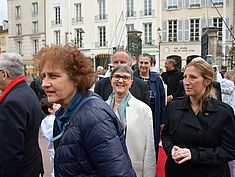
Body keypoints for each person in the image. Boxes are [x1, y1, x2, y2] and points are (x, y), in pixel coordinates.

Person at [34, 45, 137, 177]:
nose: (44, 83)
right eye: (43, 76)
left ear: (76, 79)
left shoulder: (94, 117)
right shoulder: (65, 112)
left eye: (53, 76)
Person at [161, 60, 235, 177]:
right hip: (177, 171)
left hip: (210, 172)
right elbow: (166, 135)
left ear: (207, 81)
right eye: (185, 77)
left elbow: (229, 150)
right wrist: (171, 149)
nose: (186, 82)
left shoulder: (223, 112)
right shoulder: (174, 106)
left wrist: (194, 154)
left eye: (193, 77)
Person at [106, 65, 156, 177]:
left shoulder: (143, 109)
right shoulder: (102, 107)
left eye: (125, 77)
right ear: (111, 80)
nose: (120, 80)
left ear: (131, 82)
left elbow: (149, 147)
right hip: (106, 166)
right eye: (117, 76)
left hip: (132, 167)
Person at [0, 53, 44, 177]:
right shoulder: (26, 91)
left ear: (4, 74)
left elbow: (11, 155)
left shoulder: (12, 102)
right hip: (31, 166)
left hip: (22, 171)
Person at [134, 53, 166, 161]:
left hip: (154, 116)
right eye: (141, 62)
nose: (143, 65)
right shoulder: (133, 77)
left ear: (150, 64)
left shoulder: (157, 79)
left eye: (146, 63)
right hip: (136, 117)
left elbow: (162, 98)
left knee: (152, 142)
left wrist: (162, 120)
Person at [40, 97, 61, 177]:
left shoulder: (44, 120)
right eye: (55, 105)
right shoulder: (53, 120)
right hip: (55, 148)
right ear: (50, 110)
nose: (58, 105)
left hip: (51, 148)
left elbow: (43, 134)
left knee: (53, 165)